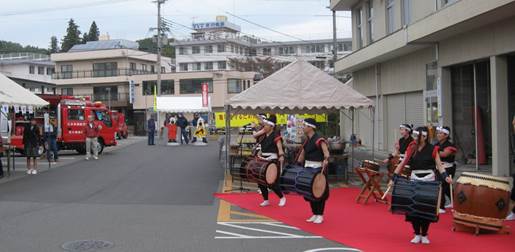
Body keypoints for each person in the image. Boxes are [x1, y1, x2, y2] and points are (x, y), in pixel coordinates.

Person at [390, 126, 452, 244]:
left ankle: (424, 234)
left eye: (422, 136)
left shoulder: (433, 148)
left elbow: (439, 165)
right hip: (414, 179)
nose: (418, 138)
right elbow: (402, 163)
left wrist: (445, 176)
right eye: (417, 136)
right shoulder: (412, 148)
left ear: (425, 136)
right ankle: (416, 233)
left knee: (426, 208)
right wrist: (394, 177)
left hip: (429, 180)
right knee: (414, 208)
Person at [296, 118, 330, 224]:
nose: (303, 128)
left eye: (304, 126)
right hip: (308, 168)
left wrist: (326, 160)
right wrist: (297, 163)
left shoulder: (319, 139)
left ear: (310, 127)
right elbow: (303, 154)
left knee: (319, 192)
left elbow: (326, 153)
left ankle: (320, 214)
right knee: (309, 192)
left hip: (318, 169)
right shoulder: (307, 140)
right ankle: (314, 213)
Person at [255, 115, 286, 207]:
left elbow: (279, 147)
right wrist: (259, 154)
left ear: (272, 126)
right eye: (265, 125)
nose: (265, 126)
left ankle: (282, 197)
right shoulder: (263, 136)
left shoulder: (276, 135)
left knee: (272, 182)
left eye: (267, 125)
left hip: (272, 160)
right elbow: (262, 147)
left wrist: (281, 155)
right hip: (263, 160)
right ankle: (266, 200)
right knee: (260, 180)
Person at [436, 126, 457, 213]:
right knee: (447, 187)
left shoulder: (450, 145)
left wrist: (433, 151)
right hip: (439, 167)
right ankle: (457, 202)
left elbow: (444, 154)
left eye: (440, 133)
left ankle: (441, 206)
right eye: (438, 133)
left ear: (446, 135)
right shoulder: (436, 144)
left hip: (448, 168)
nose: (438, 135)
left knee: (442, 185)